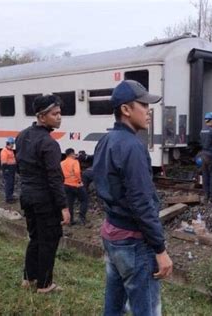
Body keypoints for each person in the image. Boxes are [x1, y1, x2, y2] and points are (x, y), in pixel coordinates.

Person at [93, 80, 173, 316]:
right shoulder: (133, 147)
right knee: (146, 308)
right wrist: (160, 249)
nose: (148, 111)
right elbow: (142, 203)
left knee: (114, 304)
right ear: (126, 110)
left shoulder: (104, 141)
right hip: (134, 242)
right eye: (143, 105)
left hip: (112, 233)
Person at [16, 94, 70, 294]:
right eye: (55, 113)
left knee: (35, 238)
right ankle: (45, 284)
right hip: (45, 200)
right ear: (41, 116)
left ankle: (29, 278)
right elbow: (55, 179)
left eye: (59, 113)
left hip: (27, 197)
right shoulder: (49, 143)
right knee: (49, 240)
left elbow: (20, 168)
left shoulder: (22, 136)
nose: (59, 117)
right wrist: (63, 206)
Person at [61, 148, 88, 225]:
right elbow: (77, 172)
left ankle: (70, 220)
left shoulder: (62, 163)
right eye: (74, 154)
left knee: (70, 203)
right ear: (72, 154)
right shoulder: (75, 162)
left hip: (66, 184)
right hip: (76, 185)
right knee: (84, 200)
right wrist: (80, 181)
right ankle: (82, 218)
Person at [0, 137, 17, 203]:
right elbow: (4, 163)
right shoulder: (4, 151)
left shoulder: (10, 150)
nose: (13, 145)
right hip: (8, 169)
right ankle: (8, 198)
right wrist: (6, 170)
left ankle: (11, 196)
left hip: (11, 169)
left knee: (11, 183)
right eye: (12, 144)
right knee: (9, 183)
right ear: (8, 143)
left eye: (13, 143)